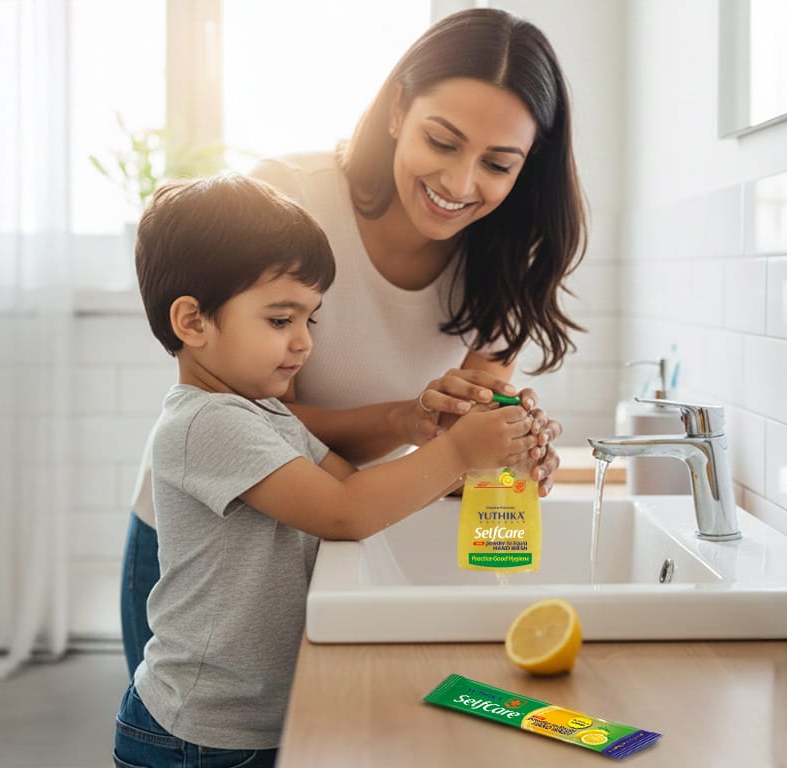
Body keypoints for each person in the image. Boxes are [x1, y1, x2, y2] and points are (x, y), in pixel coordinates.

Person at [120, 6, 588, 677]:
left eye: (498, 163)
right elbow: (250, 419)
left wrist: (501, 455)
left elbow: (458, 448)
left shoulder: (511, 259)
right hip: (214, 546)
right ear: (397, 110)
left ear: (528, 166)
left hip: (338, 527)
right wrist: (420, 427)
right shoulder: (289, 200)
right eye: (444, 141)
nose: (460, 184)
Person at [113, 173, 535, 767]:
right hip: (201, 737)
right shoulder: (205, 424)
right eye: (281, 321)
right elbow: (343, 513)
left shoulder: (261, 413)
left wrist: (463, 453)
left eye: (310, 320)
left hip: (253, 722)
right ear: (192, 322)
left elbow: (352, 485)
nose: (305, 342)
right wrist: (460, 453)